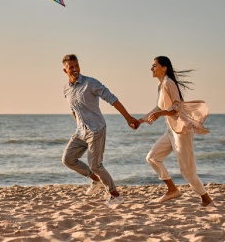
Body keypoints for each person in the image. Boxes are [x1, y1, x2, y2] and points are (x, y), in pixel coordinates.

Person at [61, 54, 139, 208]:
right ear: (65, 70)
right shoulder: (66, 89)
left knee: (96, 165)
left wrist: (128, 118)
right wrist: (78, 125)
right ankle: (95, 180)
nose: (75, 69)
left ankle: (115, 195)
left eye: (76, 66)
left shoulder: (90, 83)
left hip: (96, 129)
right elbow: (73, 109)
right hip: (80, 131)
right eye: (71, 67)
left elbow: (112, 99)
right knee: (68, 159)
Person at [136, 56, 214, 207]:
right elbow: (159, 108)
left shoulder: (169, 83)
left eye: (154, 66)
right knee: (152, 158)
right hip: (171, 130)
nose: (151, 69)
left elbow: (177, 107)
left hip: (181, 131)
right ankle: (172, 189)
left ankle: (206, 199)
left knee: (187, 170)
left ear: (164, 67)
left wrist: (162, 113)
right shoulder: (161, 85)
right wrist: (141, 120)